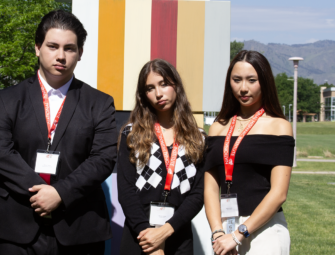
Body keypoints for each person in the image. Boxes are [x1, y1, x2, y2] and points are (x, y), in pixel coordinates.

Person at [0, 10, 117, 255]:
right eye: (52, 46)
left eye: (69, 48)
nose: (60, 56)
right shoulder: (8, 98)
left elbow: (103, 158)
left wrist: (60, 194)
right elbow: (1, 153)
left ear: (80, 53)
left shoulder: (100, 103)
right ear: (37, 48)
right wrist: (42, 193)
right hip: (13, 227)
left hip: (77, 226)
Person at [204, 50, 294, 255]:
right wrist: (218, 232)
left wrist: (238, 234)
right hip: (223, 230)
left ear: (264, 82)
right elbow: (210, 188)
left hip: (265, 231)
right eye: (237, 80)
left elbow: (279, 194)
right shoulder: (217, 127)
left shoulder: (279, 126)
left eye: (251, 80)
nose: (243, 88)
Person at [117, 59, 206, 255]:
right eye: (150, 88)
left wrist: (165, 231)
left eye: (164, 84)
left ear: (176, 86)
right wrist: (148, 238)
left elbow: (198, 195)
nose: (158, 93)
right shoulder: (132, 135)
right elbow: (126, 192)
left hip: (178, 235)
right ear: (143, 95)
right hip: (138, 238)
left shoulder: (198, 138)